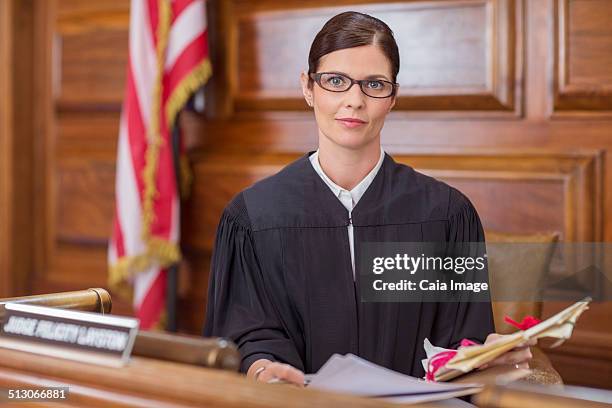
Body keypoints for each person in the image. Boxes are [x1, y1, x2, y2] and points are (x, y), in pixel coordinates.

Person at [203, 11, 534, 386]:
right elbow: (246, 336)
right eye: (335, 81)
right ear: (308, 88)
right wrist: (264, 370)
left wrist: (487, 360)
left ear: (393, 97)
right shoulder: (253, 218)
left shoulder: (445, 214)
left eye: (374, 84)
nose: (354, 100)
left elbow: (462, 340)